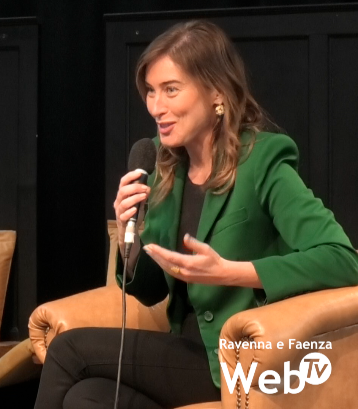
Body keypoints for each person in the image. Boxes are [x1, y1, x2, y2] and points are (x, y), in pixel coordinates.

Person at [33, 20, 358, 409]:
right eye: (151, 91)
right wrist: (127, 235)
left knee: (69, 350)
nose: (156, 107)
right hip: (185, 351)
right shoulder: (165, 166)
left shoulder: (262, 161)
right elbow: (150, 290)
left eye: (171, 89)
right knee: (86, 398)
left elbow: (344, 260)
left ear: (217, 91)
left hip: (239, 363)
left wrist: (232, 272)